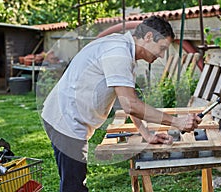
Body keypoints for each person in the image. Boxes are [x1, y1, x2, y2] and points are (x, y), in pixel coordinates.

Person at [41, 15, 201, 192]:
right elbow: (131, 105)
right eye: (162, 48)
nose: (162, 55)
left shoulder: (125, 53)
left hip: (68, 117)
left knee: (73, 182)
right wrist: (177, 122)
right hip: (66, 121)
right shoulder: (118, 52)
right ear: (148, 37)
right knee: (74, 187)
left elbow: (127, 99)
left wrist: (146, 134)